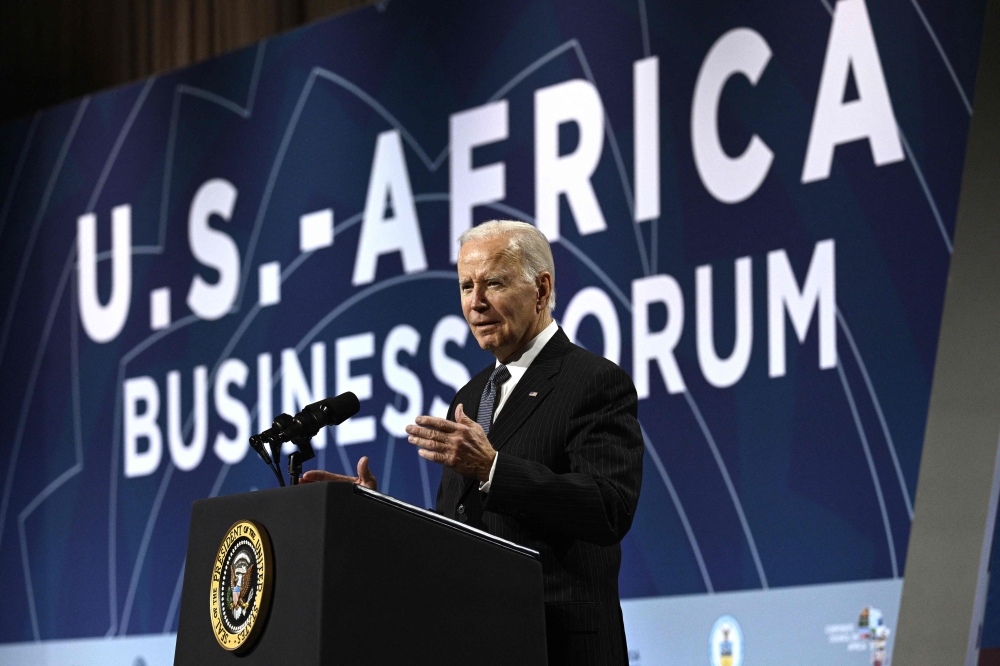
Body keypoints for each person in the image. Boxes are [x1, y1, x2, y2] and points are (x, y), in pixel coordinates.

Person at [303, 220, 643, 665]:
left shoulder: (593, 381)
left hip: (557, 646)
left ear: (541, 290)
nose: (475, 303)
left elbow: (608, 506)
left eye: (493, 283)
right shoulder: (470, 395)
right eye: (466, 286)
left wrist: (493, 470)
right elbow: (455, 530)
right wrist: (376, 514)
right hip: (477, 641)